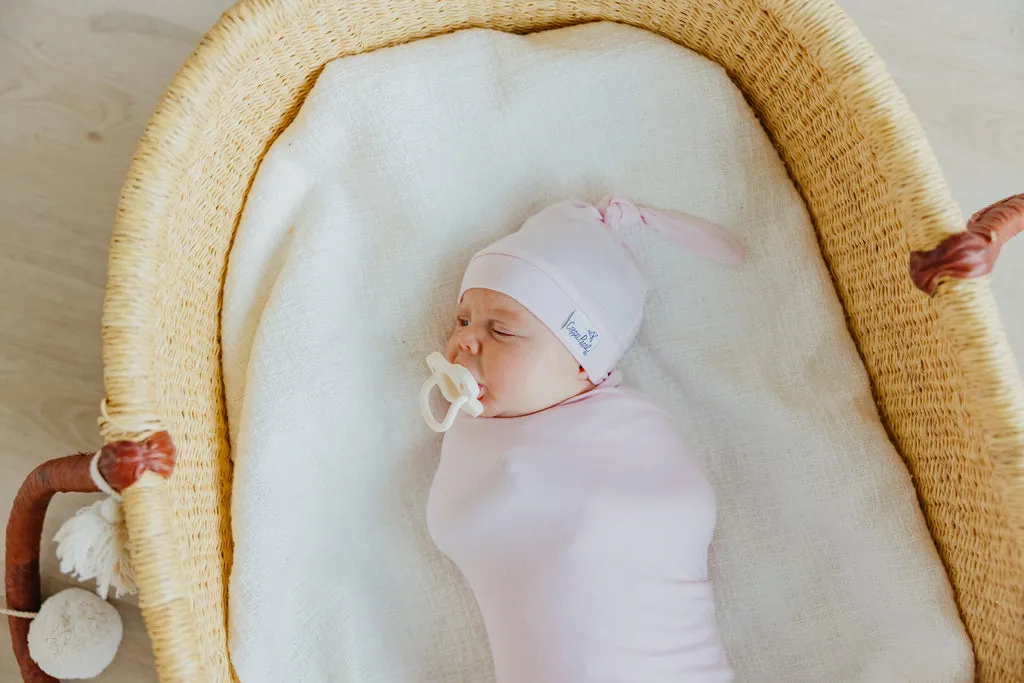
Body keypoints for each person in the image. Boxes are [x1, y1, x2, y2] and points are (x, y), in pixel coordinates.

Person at [426, 197, 742, 683]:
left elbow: (674, 510)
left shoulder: (632, 432)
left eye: (501, 329)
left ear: (583, 363)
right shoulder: (477, 433)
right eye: (463, 320)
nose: (465, 341)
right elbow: (465, 525)